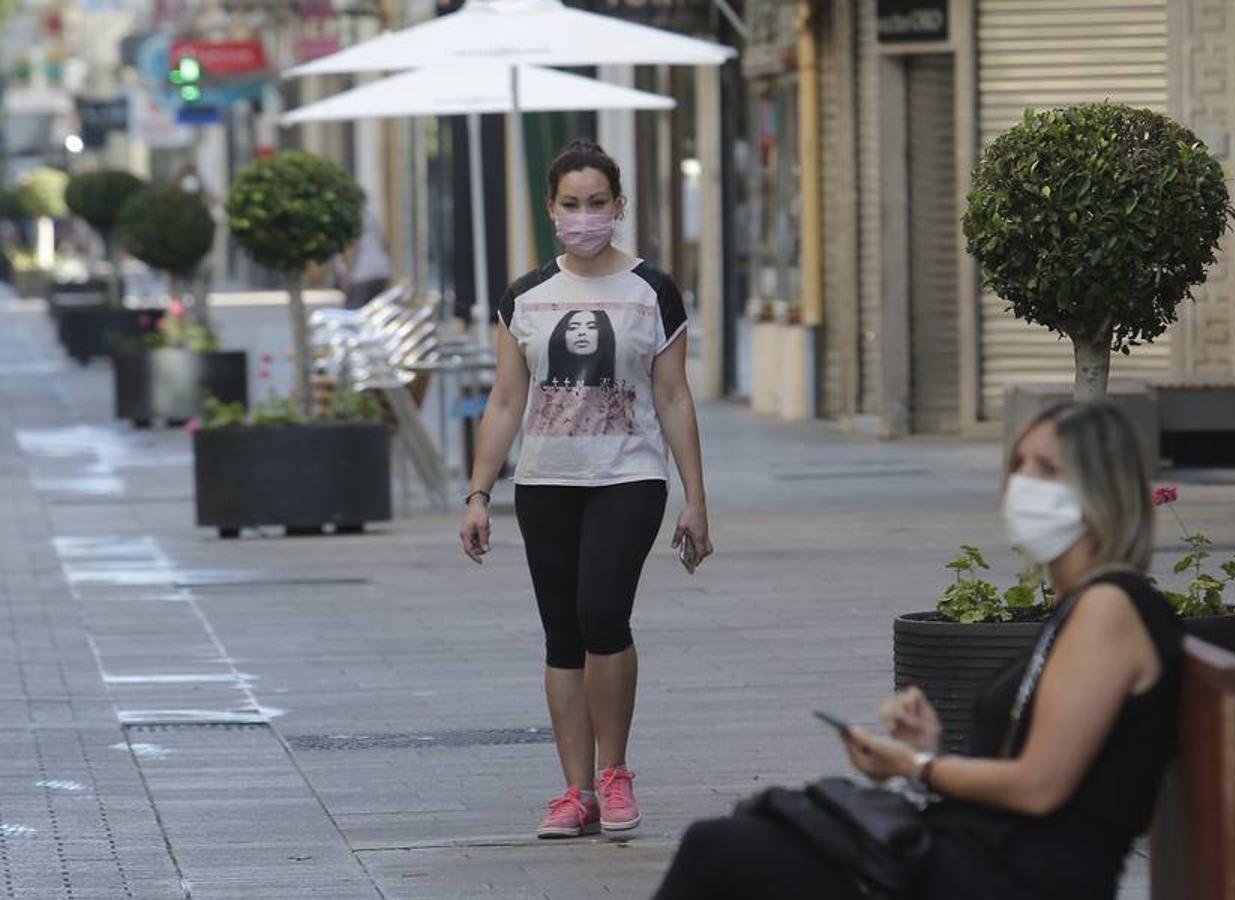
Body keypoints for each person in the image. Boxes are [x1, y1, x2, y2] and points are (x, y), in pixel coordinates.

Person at [653, 401, 1183, 900]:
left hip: (1017, 878)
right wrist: (932, 749)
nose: (1022, 484)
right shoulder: (1085, 605)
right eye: (1017, 465)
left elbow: (1039, 787)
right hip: (988, 858)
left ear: (1101, 491)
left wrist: (916, 763)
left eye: (1045, 469)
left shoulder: (1110, 607)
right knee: (744, 842)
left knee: (717, 851)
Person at [459, 138, 713, 840]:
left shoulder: (652, 291)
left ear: (619, 205)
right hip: (545, 482)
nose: (584, 216)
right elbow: (506, 402)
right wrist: (479, 493)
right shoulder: (526, 297)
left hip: (629, 476)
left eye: (597, 203)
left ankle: (615, 771)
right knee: (563, 636)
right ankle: (574, 793)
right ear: (551, 210)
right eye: (571, 204)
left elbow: (674, 397)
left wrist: (695, 497)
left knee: (604, 613)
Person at [344, 206, 392, 309]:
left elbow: (353, 250)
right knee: (378, 309)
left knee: (356, 309)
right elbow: (384, 244)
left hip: (362, 273)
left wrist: (347, 275)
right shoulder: (372, 217)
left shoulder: (353, 219)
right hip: (382, 269)